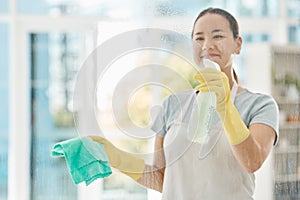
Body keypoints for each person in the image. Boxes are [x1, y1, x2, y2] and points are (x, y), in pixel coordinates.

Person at [90, 7, 279, 199]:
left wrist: (225, 106)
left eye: (218, 36)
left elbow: (252, 161)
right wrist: (113, 155)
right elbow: (161, 178)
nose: (207, 45)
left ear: (238, 45)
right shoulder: (172, 105)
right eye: (199, 38)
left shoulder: (260, 105)